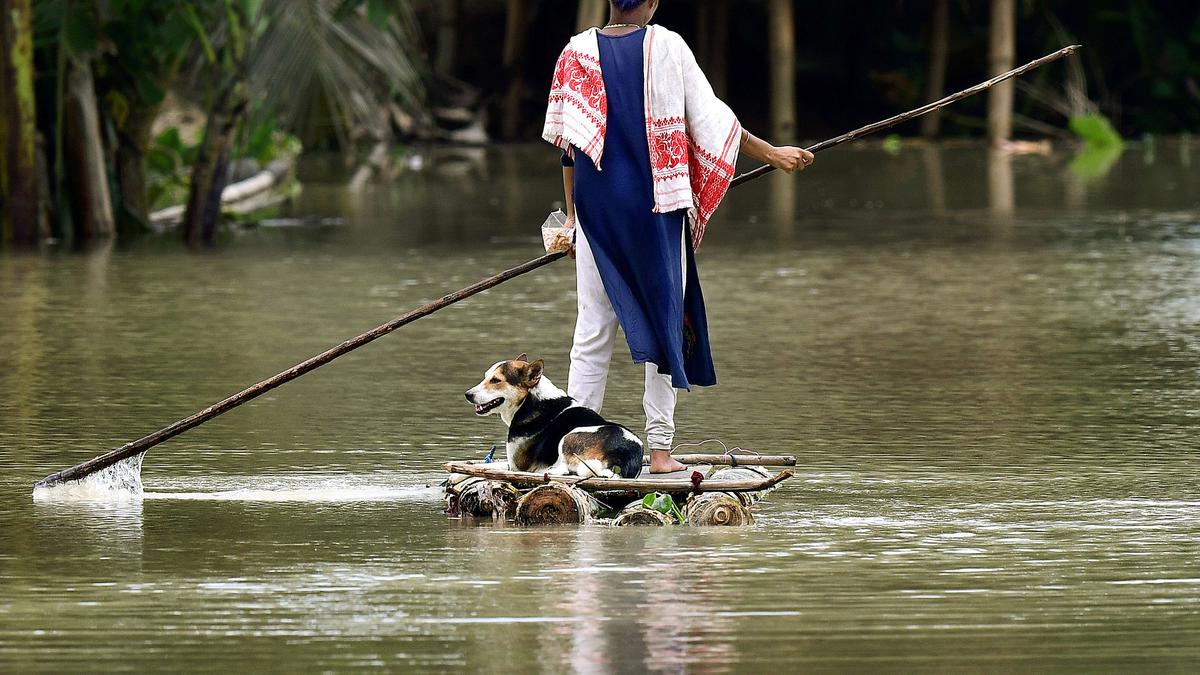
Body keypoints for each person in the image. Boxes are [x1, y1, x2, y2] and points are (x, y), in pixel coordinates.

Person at [542, 0, 813, 473]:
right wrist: (772, 154)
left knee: (592, 332)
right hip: (657, 210)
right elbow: (716, 124)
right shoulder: (668, 46)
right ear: (651, 4)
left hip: (597, 215)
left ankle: (572, 450)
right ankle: (661, 453)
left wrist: (571, 221)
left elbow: (570, 151)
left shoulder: (575, 52)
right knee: (666, 323)